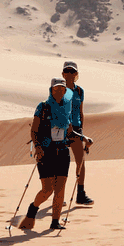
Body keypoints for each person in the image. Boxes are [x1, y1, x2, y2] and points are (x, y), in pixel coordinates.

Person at [19, 78, 75, 231]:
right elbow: (34, 130)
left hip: (63, 152)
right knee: (47, 190)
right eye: (56, 88)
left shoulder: (66, 108)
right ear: (51, 90)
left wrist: (83, 138)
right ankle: (32, 211)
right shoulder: (43, 107)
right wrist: (37, 146)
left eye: (62, 89)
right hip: (46, 152)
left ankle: (55, 222)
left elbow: (69, 130)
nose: (60, 91)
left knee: (60, 188)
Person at [61, 61, 94, 205]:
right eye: (67, 71)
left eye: (72, 71)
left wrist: (82, 131)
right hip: (62, 130)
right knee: (61, 163)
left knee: (80, 162)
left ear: (76, 74)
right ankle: (58, 194)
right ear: (63, 74)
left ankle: (80, 194)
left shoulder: (80, 91)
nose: (69, 74)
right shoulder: (58, 89)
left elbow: (81, 112)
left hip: (77, 130)